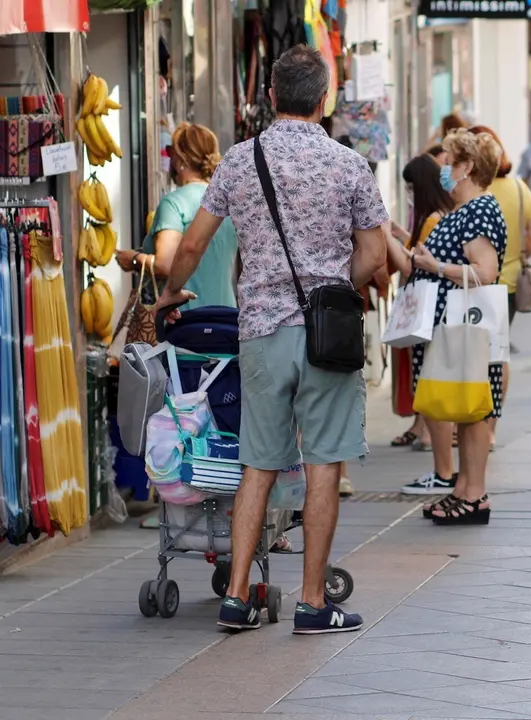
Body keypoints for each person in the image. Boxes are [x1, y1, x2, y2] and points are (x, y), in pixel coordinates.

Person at [156, 45, 387, 634]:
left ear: (272, 97)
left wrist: (168, 295)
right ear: (325, 98)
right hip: (326, 337)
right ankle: (313, 602)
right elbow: (374, 254)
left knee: (255, 465)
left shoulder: (239, 160)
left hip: (258, 329)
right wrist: (332, 288)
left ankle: (236, 597)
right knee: (325, 465)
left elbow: (190, 245)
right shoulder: (349, 164)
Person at [387, 128, 508, 525]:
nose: (442, 170)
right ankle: (464, 489)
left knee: (473, 413)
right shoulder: (463, 212)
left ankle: (475, 494)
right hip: (453, 330)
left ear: (467, 167)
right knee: (466, 412)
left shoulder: (479, 211)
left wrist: (434, 266)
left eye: (448, 163)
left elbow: (485, 272)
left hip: (466, 332)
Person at [116, 123, 238, 311]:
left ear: (180, 160)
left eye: (170, 151)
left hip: (187, 323)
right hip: (225, 316)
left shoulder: (173, 204)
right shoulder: (227, 203)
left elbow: (165, 264)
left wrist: (134, 259)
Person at [473, 124, 531, 447]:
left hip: (472, 284)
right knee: (498, 356)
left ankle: (471, 422)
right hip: (508, 282)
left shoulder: (472, 193)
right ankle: (491, 425)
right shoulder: (518, 188)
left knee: (472, 356)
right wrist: (519, 255)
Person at [387, 154, 455, 454]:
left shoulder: (431, 219)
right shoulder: (441, 214)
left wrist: (385, 235)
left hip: (427, 310)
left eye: (411, 187)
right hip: (439, 309)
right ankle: (429, 434)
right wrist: (403, 234)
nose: (409, 193)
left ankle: (430, 436)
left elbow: (412, 263)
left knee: (426, 373)